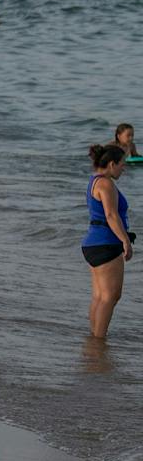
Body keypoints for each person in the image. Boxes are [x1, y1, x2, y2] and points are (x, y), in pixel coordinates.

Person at [84, 140, 132, 342]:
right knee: (111, 296)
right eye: (122, 164)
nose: (124, 168)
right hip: (105, 243)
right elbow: (111, 215)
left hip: (93, 243)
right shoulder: (106, 183)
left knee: (100, 296)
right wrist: (126, 241)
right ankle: (98, 341)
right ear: (112, 164)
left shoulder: (94, 180)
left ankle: (94, 337)